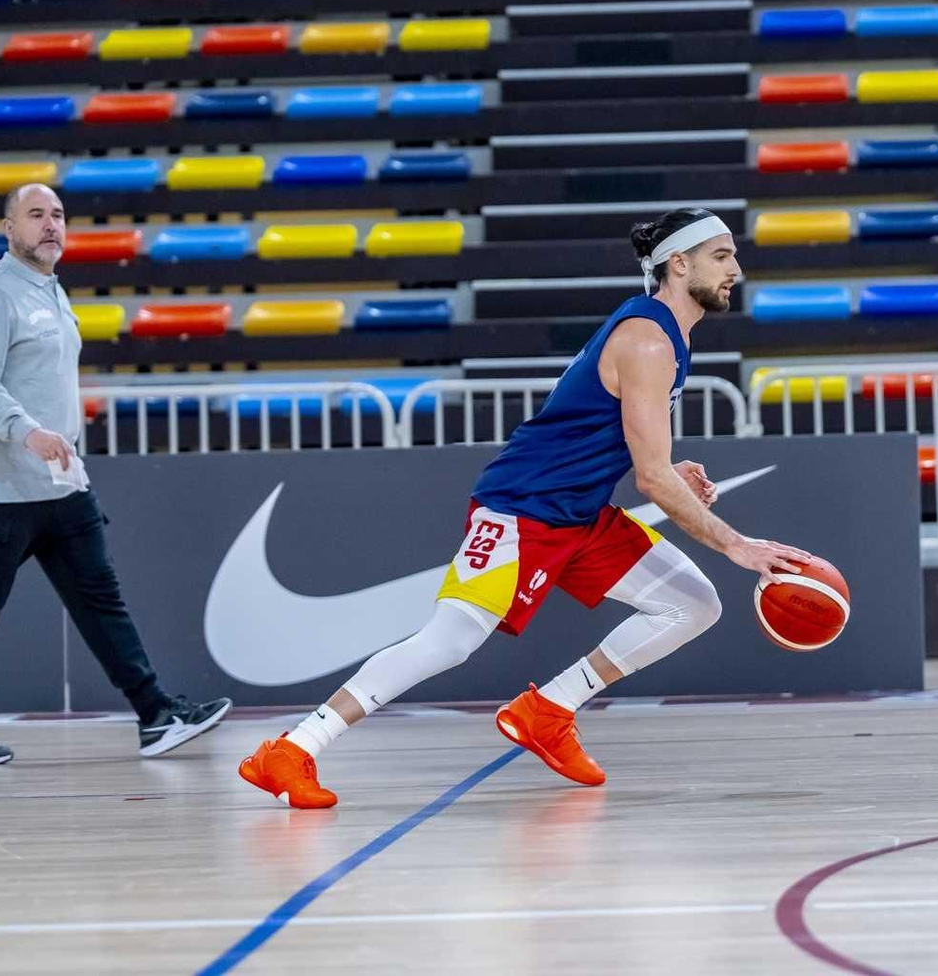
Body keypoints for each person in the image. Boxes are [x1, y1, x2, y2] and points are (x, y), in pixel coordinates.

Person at [237, 207, 814, 808]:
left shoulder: (670, 331)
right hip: (523, 508)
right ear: (678, 263)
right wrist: (736, 544)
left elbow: (636, 449)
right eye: (721, 256)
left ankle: (548, 710)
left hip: (580, 514)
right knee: (449, 642)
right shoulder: (647, 337)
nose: (736, 269)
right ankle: (292, 749)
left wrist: (675, 470)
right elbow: (648, 478)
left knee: (693, 604)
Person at [0, 184, 231, 766]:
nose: (51, 225)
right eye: (35, 215)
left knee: (101, 601)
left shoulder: (52, 292)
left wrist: (64, 446)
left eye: (58, 215)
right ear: (9, 228)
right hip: (4, 484)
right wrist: (28, 431)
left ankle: (156, 714)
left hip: (62, 482)